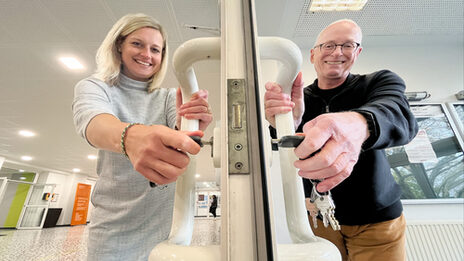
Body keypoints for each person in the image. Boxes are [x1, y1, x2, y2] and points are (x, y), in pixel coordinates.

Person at [264, 19, 418, 261]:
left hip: (376, 220)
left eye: (347, 45)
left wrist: (359, 124)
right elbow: (281, 148)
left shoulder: (378, 83)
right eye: (328, 46)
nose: (337, 52)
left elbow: (398, 114)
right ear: (313, 55)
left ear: (357, 52)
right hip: (317, 217)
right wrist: (284, 125)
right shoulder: (297, 100)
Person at [72, 13, 212, 260]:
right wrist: (131, 138)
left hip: (166, 228)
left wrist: (190, 123)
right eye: (137, 44)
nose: (147, 54)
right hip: (112, 230)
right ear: (119, 45)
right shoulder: (95, 87)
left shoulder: (169, 97)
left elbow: (182, 138)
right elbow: (93, 123)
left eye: (155, 49)